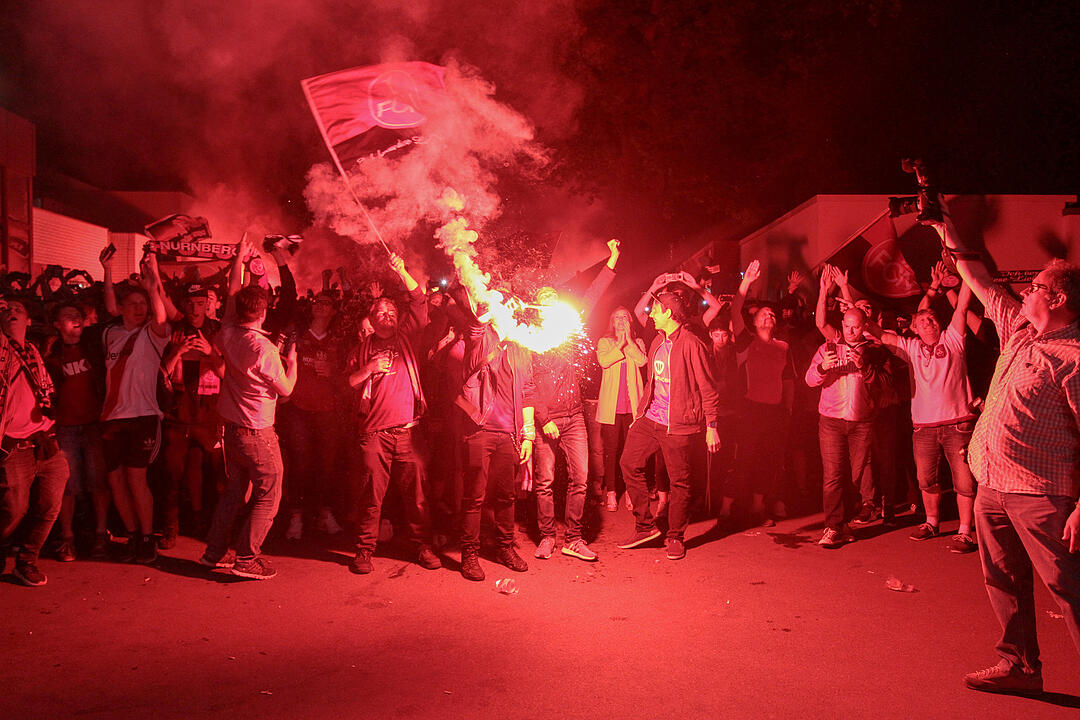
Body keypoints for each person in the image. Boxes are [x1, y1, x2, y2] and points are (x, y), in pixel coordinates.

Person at [931, 205, 1080, 695]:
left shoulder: (1074, 357)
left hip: (1042, 494)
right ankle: (1020, 666)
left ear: (1057, 298)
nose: (1025, 291)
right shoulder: (1018, 328)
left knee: (1070, 589)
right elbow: (976, 278)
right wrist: (946, 228)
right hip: (992, 485)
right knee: (1004, 581)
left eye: (1035, 286)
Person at [201, 268, 298, 579]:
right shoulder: (264, 349)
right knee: (269, 494)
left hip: (232, 429)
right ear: (265, 311)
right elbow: (286, 390)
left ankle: (214, 552)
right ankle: (246, 557)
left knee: (234, 492)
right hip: (257, 432)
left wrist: (239, 259)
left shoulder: (228, 334)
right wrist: (293, 364)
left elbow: (231, 298)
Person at [348, 253, 440, 575]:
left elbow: (419, 300)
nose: (386, 315)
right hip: (374, 435)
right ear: (371, 320)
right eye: (380, 312)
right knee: (371, 496)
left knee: (417, 497)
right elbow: (348, 382)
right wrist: (370, 368)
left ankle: (422, 546)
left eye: (391, 312)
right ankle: (364, 551)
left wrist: (401, 271)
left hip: (408, 433)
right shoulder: (361, 349)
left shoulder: (408, 338)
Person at [870, 282, 978, 552]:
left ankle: (965, 531)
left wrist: (966, 276)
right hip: (924, 428)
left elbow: (962, 306)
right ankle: (931, 522)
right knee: (926, 480)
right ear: (914, 328)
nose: (929, 323)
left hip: (958, 424)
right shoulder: (910, 347)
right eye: (922, 321)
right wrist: (853, 309)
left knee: (964, 481)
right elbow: (879, 334)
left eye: (932, 319)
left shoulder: (953, 339)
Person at [531, 238, 618, 562]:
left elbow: (592, 294)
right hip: (546, 421)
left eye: (553, 296)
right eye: (544, 297)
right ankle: (546, 537)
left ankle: (574, 538)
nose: (550, 299)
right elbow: (527, 384)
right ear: (537, 307)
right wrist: (544, 419)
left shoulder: (568, 331)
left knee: (580, 479)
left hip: (575, 417)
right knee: (545, 482)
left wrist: (612, 260)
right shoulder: (531, 339)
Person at [617, 288, 721, 560]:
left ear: (668, 313)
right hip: (651, 419)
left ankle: (675, 536)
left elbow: (708, 388)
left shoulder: (691, 344)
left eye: (656, 310)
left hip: (678, 425)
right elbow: (652, 383)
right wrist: (640, 414)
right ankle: (645, 526)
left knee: (679, 482)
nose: (651, 315)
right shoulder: (657, 342)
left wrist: (712, 426)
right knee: (628, 463)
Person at [452, 282, 536, 581]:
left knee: (506, 496)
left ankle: (505, 548)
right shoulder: (483, 336)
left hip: (509, 433)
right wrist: (491, 316)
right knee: (474, 496)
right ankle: (469, 555)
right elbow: (475, 333)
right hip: (480, 429)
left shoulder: (521, 347)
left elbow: (527, 390)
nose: (511, 314)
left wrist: (528, 434)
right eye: (505, 309)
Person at [100, 253, 170, 564]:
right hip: (111, 418)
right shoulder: (109, 333)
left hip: (143, 417)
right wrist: (107, 270)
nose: (140, 308)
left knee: (136, 478)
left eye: (144, 304)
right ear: (122, 308)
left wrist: (153, 284)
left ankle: (147, 537)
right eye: (134, 304)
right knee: (116, 480)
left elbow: (160, 316)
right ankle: (131, 535)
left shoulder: (153, 334)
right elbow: (109, 308)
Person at [805, 307, 888, 548]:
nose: (850, 331)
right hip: (831, 420)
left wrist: (864, 367)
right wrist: (823, 368)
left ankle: (843, 523)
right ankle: (832, 526)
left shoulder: (874, 352)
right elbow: (809, 380)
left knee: (854, 477)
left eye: (856, 326)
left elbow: (884, 384)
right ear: (841, 324)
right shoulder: (828, 348)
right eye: (847, 325)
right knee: (833, 475)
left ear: (864, 327)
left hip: (861, 422)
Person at [0, 297, 69, 586]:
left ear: (29, 321)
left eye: (19, 310)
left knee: (50, 507)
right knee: (14, 510)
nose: (11, 312)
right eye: (6, 310)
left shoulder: (34, 351)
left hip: (44, 440)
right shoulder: (3, 349)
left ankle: (27, 561)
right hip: (14, 444)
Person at [729, 260, 795, 526]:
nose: (770, 316)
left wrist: (788, 408)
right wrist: (746, 281)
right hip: (751, 409)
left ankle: (758, 507)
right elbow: (734, 311)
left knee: (768, 460)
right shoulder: (747, 341)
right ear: (754, 321)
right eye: (764, 314)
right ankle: (729, 509)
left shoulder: (783, 346)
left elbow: (788, 380)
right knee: (744, 458)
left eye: (773, 315)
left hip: (774, 410)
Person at [159, 283, 224, 548]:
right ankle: (170, 526)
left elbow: (225, 372)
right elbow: (162, 373)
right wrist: (177, 352)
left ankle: (205, 524)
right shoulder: (174, 331)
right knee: (172, 474)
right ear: (184, 305)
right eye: (190, 303)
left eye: (200, 303)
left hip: (208, 416)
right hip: (178, 416)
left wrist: (209, 352)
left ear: (208, 304)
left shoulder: (217, 331)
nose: (195, 309)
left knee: (211, 475)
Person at [44, 302, 109, 561]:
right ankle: (67, 537)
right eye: (68, 316)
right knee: (69, 485)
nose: (75, 319)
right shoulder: (51, 354)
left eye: (77, 315)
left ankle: (101, 534)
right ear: (57, 325)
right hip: (66, 427)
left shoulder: (93, 348)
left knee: (98, 481)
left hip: (94, 424)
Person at [280, 290, 345, 542]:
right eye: (317, 301)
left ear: (334, 311)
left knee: (326, 465)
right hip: (298, 409)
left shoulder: (338, 341)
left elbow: (347, 376)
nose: (320, 306)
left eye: (326, 303)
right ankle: (296, 516)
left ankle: (324, 512)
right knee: (300, 463)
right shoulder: (297, 335)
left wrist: (332, 371)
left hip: (327, 411)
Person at [596, 306, 647, 512]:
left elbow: (642, 361)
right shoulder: (605, 342)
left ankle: (631, 491)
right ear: (612, 321)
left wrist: (630, 342)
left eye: (624, 317)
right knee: (611, 451)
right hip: (611, 408)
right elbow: (604, 361)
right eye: (617, 317)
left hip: (632, 407)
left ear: (630, 321)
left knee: (631, 452)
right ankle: (611, 492)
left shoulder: (638, 342)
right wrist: (620, 343)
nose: (620, 320)